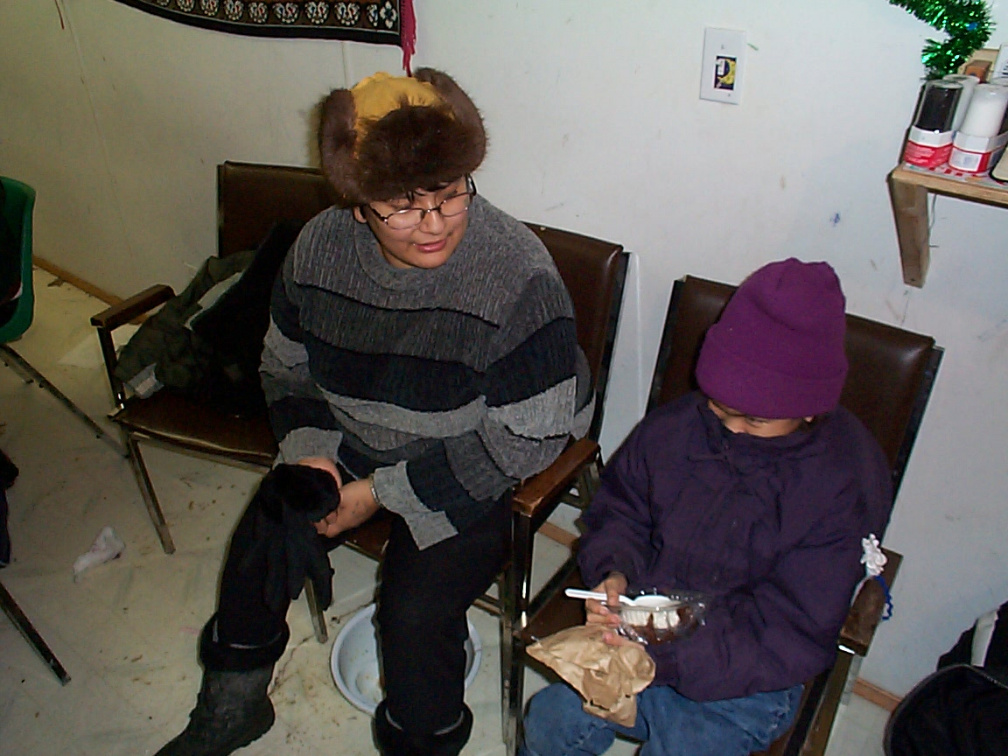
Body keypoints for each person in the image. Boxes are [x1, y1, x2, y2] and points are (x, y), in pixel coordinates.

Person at [157, 68, 593, 756]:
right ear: (357, 204)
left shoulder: (518, 274)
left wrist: (378, 496)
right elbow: (285, 364)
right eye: (401, 204)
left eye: (451, 196)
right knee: (262, 540)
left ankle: (424, 744)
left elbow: (526, 440)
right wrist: (309, 453)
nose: (434, 224)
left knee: (415, 616)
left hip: (469, 456)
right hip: (351, 437)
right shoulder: (319, 249)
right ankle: (233, 704)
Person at [520, 258, 894, 756]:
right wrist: (614, 573)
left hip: (748, 681)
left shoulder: (841, 485)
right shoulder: (680, 426)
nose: (731, 428)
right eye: (720, 408)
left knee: (684, 746)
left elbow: (790, 630)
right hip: (646, 628)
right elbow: (624, 508)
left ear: (810, 407)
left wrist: (664, 656)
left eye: (755, 420)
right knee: (548, 723)